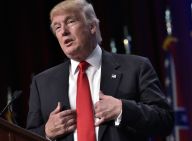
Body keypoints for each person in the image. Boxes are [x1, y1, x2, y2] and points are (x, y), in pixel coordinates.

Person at [26, 0, 174, 141]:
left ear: (92, 26)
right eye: (57, 27)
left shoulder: (136, 67)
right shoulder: (42, 83)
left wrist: (122, 109)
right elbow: (27, 135)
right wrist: (47, 132)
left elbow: (165, 121)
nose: (63, 31)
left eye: (70, 22)